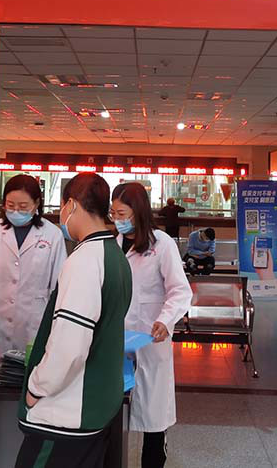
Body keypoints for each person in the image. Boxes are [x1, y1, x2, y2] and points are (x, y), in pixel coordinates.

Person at [15, 173, 132, 468]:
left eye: (62, 206)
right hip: (94, 405)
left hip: (66, 412)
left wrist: (36, 388)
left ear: (72, 204)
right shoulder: (114, 255)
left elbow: (70, 344)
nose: (61, 214)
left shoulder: (84, 261)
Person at [111, 183, 192, 468]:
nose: (116, 219)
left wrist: (165, 320)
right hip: (115, 342)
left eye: (121, 213)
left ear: (138, 212)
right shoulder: (111, 245)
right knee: (113, 418)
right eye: (113, 213)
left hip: (150, 340)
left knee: (153, 421)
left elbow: (180, 291)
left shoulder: (162, 244)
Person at [0, 174, 67, 358]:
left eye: (23, 206)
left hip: (33, 325)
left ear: (36, 204)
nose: (16, 211)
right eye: (10, 205)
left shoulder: (52, 235)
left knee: (29, 368)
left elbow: (58, 285)